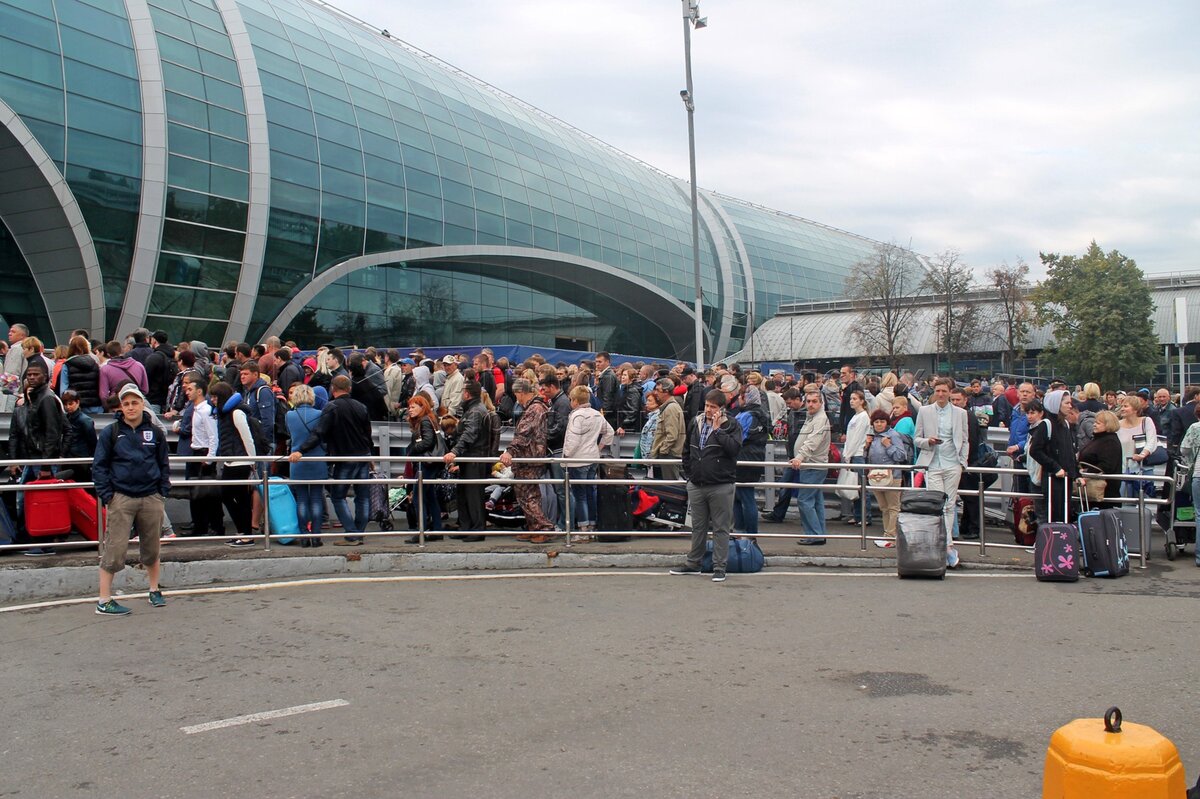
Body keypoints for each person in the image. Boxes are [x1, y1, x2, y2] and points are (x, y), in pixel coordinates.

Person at [92, 384, 171, 615]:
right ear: (121, 407)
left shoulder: (155, 433)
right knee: (114, 549)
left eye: (134, 402)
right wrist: (108, 495)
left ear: (142, 404)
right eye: (126, 403)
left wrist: (162, 491)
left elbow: (163, 463)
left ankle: (154, 590)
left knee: (152, 548)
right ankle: (104, 599)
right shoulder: (111, 432)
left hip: (151, 496)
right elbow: (99, 465)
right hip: (121, 497)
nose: (130, 407)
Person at [290, 375, 372, 546]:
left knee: (338, 496)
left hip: (344, 457)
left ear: (332, 389)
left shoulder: (331, 407)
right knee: (363, 497)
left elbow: (319, 433)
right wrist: (370, 455)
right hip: (364, 455)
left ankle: (352, 533)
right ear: (349, 388)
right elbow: (368, 434)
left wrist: (301, 450)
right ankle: (359, 533)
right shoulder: (361, 406)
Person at [670, 389, 742, 582]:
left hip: (721, 484)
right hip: (697, 483)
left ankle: (719, 567)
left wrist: (718, 430)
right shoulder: (696, 422)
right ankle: (693, 563)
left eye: (713, 407)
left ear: (722, 408)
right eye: (707, 406)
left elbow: (734, 449)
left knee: (721, 528)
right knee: (697, 527)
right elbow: (687, 450)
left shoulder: (731, 424)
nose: (709, 410)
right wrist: (690, 474)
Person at [914, 377, 968, 568]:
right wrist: (928, 441)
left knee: (950, 504)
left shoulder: (961, 413)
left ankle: (947, 545)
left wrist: (962, 462)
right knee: (939, 504)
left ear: (950, 392)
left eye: (944, 391)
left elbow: (965, 439)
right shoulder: (924, 411)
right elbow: (916, 439)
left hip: (953, 463)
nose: (941, 394)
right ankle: (945, 545)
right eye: (938, 391)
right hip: (933, 463)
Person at [500, 378, 556, 542]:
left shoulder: (534, 409)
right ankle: (534, 528)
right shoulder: (537, 407)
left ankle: (544, 528)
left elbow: (524, 433)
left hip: (529, 458)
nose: (516, 398)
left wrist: (510, 451)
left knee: (528, 496)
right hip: (529, 457)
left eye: (516, 394)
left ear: (521, 392)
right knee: (526, 495)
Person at [173, 374, 224, 538]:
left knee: (208, 493)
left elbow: (213, 436)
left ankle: (214, 526)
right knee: (196, 492)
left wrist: (209, 458)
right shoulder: (196, 409)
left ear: (200, 391)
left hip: (203, 454)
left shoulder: (206, 411)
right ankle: (199, 524)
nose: (187, 392)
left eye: (190, 389)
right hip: (196, 452)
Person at [208, 381, 258, 546]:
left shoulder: (236, 413)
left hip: (240, 461)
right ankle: (243, 532)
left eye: (215, 397)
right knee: (235, 498)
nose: (212, 400)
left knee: (236, 498)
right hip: (232, 461)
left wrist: (252, 460)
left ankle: (246, 534)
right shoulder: (226, 413)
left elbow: (247, 438)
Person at [443, 380, 492, 542]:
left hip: (474, 458)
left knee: (473, 496)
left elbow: (470, 434)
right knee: (464, 495)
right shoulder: (473, 409)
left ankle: (477, 529)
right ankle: (466, 527)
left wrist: (454, 452)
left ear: (466, 394)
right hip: (469, 457)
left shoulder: (476, 411)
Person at [562, 386, 613, 535]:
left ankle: (583, 529)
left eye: (571, 399)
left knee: (580, 496)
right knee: (590, 492)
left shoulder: (576, 416)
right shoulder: (596, 414)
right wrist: (599, 447)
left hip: (578, 460)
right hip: (593, 458)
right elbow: (609, 432)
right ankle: (592, 525)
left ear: (575, 401)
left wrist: (566, 456)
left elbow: (572, 440)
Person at [285, 383, 328, 548]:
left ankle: (304, 536)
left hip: (297, 461)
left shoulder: (289, 415)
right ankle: (316, 536)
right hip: (317, 460)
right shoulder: (320, 414)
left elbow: (290, 435)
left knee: (302, 499)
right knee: (316, 498)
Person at [789, 389, 832, 545]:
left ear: (821, 403)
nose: (811, 404)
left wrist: (799, 457)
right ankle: (819, 533)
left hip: (813, 465)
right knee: (815, 501)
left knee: (804, 501)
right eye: (808, 401)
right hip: (811, 464)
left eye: (814, 401)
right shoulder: (813, 417)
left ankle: (814, 534)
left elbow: (812, 442)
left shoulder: (820, 419)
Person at [403, 393, 443, 544]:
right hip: (430, 463)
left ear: (422, 407)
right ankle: (437, 530)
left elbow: (427, 442)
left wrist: (411, 450)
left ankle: (422, 531)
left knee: (418, 497)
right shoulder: (428, 419)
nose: (410, 410)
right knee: (430, 497)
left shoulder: (424, 421)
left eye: (413, 407)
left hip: (426, 463)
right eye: (409, 407)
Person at [865, 409, 909, 547]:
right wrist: (866, 446)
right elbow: (867, 457)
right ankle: (887, 533)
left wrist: (888, 445)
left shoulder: (893, 435)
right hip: (876, 476)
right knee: (884, 507)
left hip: (893, 476)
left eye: (882, 421)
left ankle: (891, 536)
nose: (879, 424)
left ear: (887, 423)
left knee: (893, 507)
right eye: (876, 422)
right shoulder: (872, 437)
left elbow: (901, 456)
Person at [733, 385, 770, 536]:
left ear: (745, 398)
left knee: (743, 497)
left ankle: (747, 533)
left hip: (742, 459)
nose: (738, 399)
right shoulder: (762, 414)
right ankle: (746, 533)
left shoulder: (745, 416)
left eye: (740, 396)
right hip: (756, 458)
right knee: (743, 496)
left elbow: (736, 438)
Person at [1077, 410, 1123, 509]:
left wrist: (1087, 471)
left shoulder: (1110, 441)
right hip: (1092, 489)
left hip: (1104, 492)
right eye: (1095, 422)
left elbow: (1107, 465)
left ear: (1108, 425)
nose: (1094, 425)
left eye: (1098, 423)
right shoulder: (1098, 439)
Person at [838, 389, 872, 525]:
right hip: (851, 454)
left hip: (857, 454)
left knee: (861, 487)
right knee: (855, 486)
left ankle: (865, 516)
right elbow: (850, 438)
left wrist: (848, 454)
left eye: (855, 399)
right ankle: (858, 515)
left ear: (862, 401)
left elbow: (857, 438)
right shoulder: (855, 416)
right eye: (851, 399)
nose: (852, 401)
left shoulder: (863, 417)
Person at [1116, 394, 1158, 499]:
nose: (1122, 409)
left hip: (1144, 468)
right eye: (1122, 406)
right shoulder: (1117, 425)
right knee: (1123, 501)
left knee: (1145, 502)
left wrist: (1142, 455)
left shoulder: (1146, 421)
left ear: (1135, 409)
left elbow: (1152, 442)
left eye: (1126, 406)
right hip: (1123, 470)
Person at [649, 378, 685, 482]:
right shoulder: (669, 407)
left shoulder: (670, 408)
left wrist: (662, 451)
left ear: (666, 392)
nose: (655, 393)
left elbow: (672, 435)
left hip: (669, 455)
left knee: (669, 486)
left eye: (658, 390)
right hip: (668, 454)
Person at [61, 390, 97, 487]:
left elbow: (92, 442)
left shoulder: (85, 421)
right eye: (65, 404)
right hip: (72, 458)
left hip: (81, 459)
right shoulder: (67, 418)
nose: (68, 407)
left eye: (70, 404)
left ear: (77, 402)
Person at [58, 335, 102, 413]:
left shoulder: (67, 365)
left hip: (77, 407)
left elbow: (63, 390)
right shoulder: (95, 363)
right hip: (95, 406)